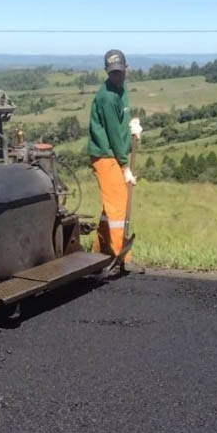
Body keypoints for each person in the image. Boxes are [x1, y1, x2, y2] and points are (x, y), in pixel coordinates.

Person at [88, 49, 144, 274]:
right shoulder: (108, 97)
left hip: (114, 154)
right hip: (106, 156)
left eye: (120, 72)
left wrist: (132, 124)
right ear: (106, 72)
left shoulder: (121, 90)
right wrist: (125, 166)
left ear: (126, 69)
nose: (117, 77)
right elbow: (112, 133)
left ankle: (98, 251)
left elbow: (119, 123)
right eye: (113, 74)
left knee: (110, 207)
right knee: (119, 206)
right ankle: (124, 258)